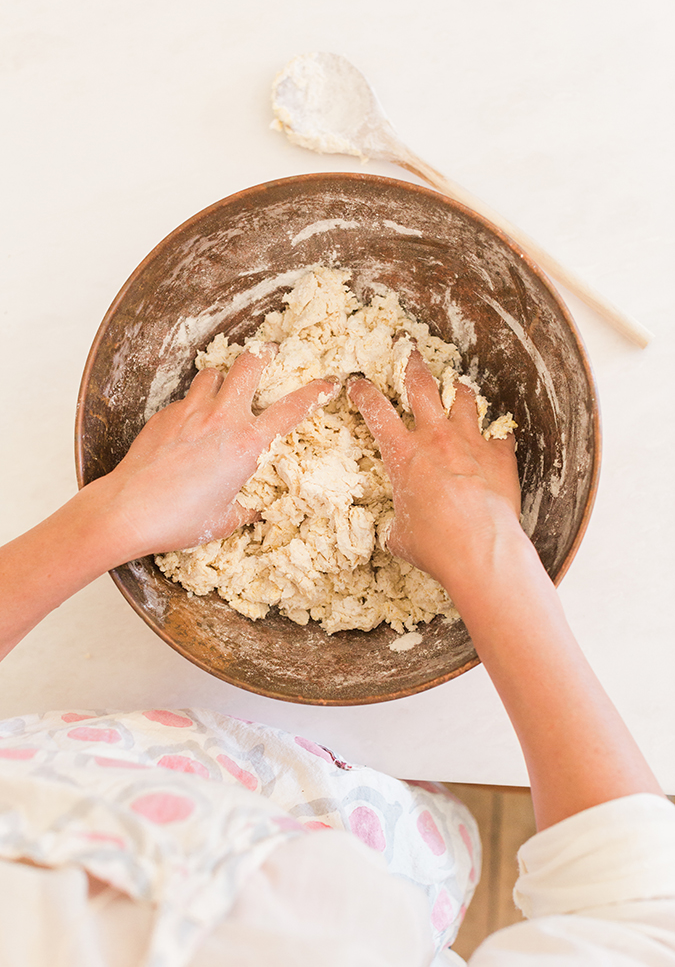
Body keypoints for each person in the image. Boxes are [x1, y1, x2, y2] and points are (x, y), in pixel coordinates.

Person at [0, 343, 674, 966]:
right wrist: (485, 547)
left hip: (113, 760)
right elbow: (638, 918)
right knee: (422, 829)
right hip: (359, 844)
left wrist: (108, 516)